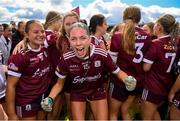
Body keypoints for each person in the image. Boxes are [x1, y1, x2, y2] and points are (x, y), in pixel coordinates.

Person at [41, 22, 137, 120]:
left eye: (83, 38)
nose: (78, 43)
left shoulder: (100, 53)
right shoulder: (66, 58)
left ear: (89, 39)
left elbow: (117, 71)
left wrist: (127, 79)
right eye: (74, 39)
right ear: (69, 40)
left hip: (97, 91)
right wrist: (50, 98)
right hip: (78, 92)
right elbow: (59, 84)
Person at [108, 6, 152, 120]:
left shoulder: (118, 36)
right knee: (125, 111)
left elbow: (112, 63)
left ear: (124, 17)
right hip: (138, 81)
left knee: (113, 113)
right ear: (139, 18)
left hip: (119, 81)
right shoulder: (147, 36)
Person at [6, 20, 52, 120]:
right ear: (26, 34)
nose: (40, 34)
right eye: (35, 32)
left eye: (42, 31)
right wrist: (11, 114)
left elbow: (57, 32)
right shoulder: (19, 56)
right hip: (26, 100)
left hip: (43, 97)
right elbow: (10, 85)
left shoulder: (45, 48)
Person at [142, 14, 179, 120]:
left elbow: (146, 68)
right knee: (154, 114)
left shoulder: (156, 43)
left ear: (159, 27)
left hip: (152, 87)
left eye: (155, 24)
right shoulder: (176, 43)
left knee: (146, 118)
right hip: (166, 86)